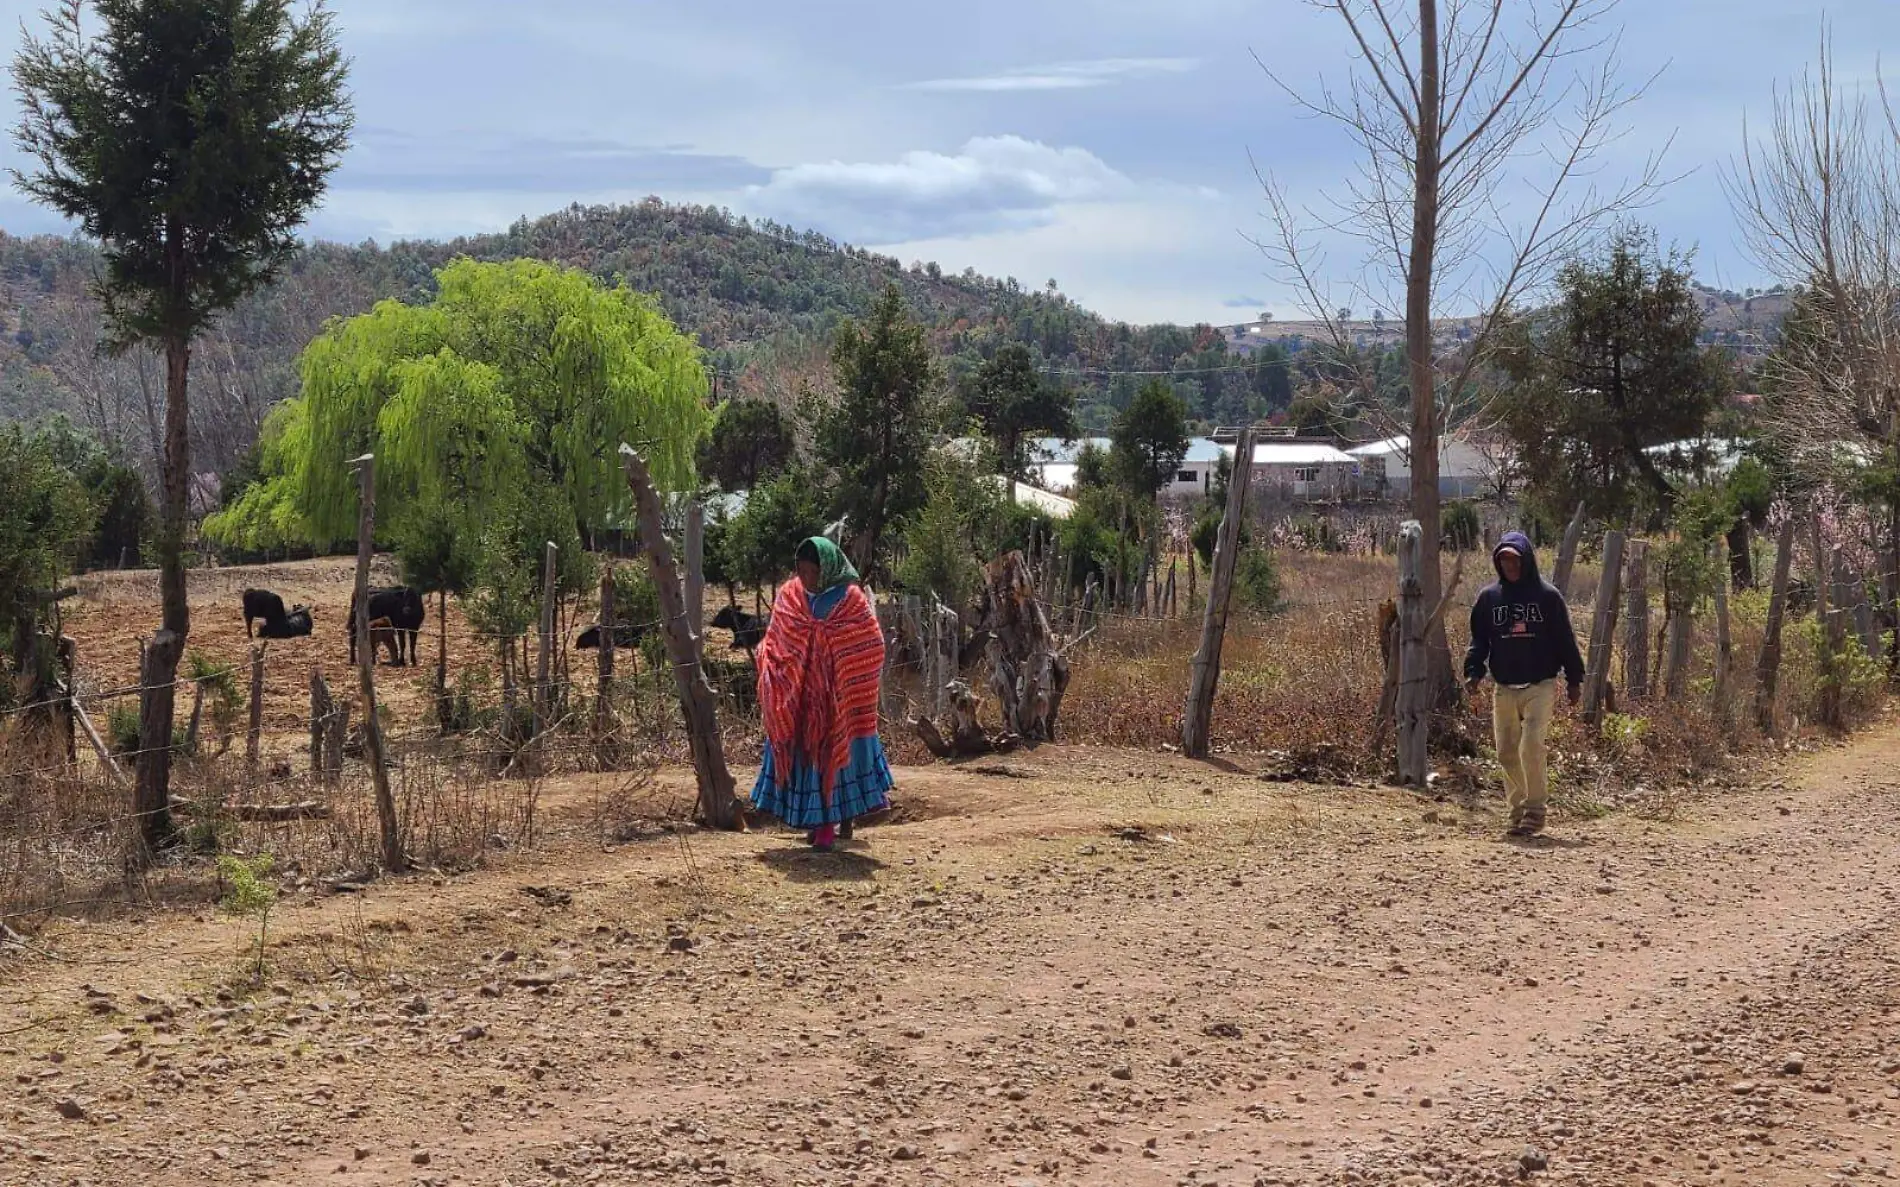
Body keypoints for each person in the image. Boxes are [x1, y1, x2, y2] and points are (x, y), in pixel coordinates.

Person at [751, 536, 894, 850]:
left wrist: (838, 671)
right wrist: (778, 665)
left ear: (827, 569)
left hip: (839, 703)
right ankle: (819, 823)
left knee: (834, 754)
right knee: (809, 756)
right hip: (800, 701)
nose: (805, 578)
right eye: (800, 571)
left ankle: (833, 825)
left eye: (811, 572)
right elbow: (776, 641)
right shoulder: (791, 597)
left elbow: (871, 646)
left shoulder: (851, 601)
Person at [1463, 530, 1585, 838]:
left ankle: (1535, 809)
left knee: (1531, 746)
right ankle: (1517, 811)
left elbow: (1564, 641)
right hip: (1504, 687)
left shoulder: (1547, 597)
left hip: (1540, 684)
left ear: (1526, 560)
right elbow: (1480, 640)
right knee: (1506, 752)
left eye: (1514, 560)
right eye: (1503, 560)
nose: (1509, 566)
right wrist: (1474, 671)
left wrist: (1574, 679)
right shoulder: (1489, 599)